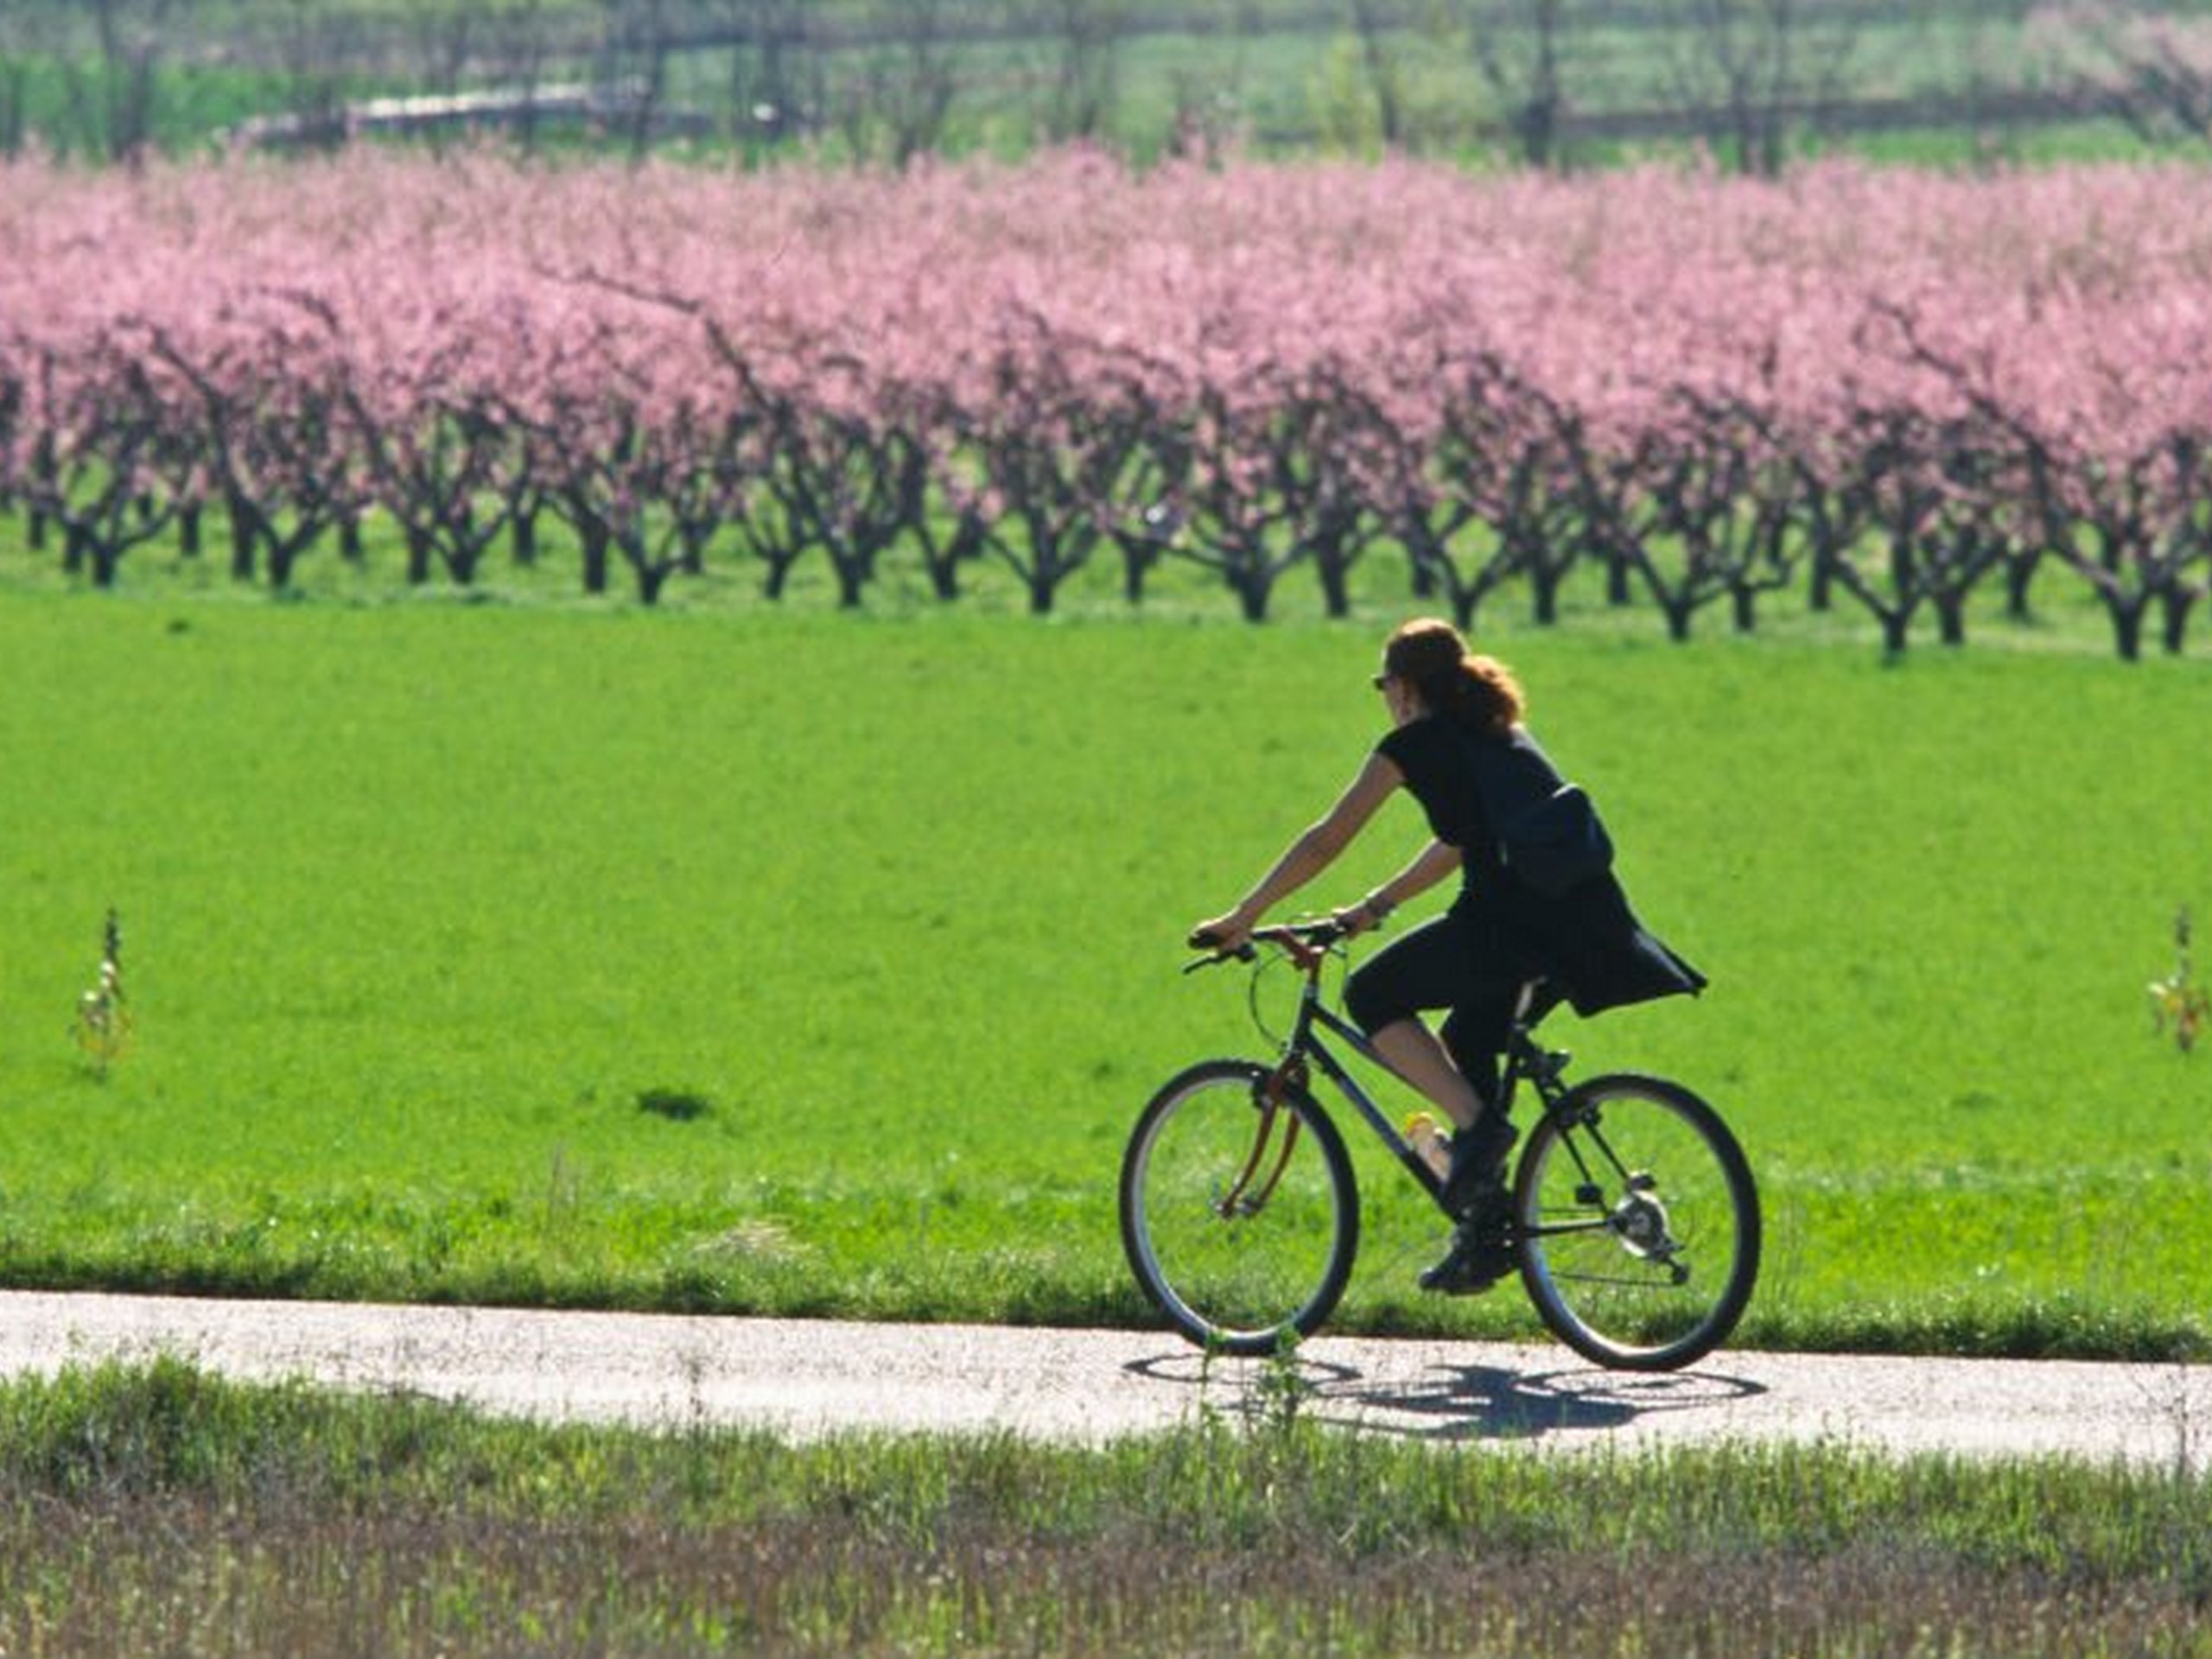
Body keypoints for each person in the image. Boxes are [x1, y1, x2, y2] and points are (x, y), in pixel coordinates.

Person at [1191, 617, 1706, 1294]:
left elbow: (1327, 838)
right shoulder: (1494, 731)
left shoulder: (1416, 742)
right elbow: (1463, 839)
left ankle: (1477, 1134)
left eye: (1383, 684)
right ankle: (1485, 1235)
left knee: (1373, 996)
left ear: (1404, 689)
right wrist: (1373, 908)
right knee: (1467, 1037)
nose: (1383, 697)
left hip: (1508, 922)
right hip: (1579, 927)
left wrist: (1242, 918)